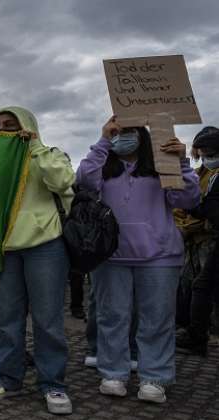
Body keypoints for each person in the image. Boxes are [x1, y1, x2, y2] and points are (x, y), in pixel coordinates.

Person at [77, 116, 199, 403]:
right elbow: (82, 180)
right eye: (118, 132)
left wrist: (181, 162)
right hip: (111, 256)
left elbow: (188, 200)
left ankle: (154, 377)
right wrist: (103, 140)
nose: (123, 137)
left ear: (143, 137)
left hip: (160, 256)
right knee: (111, 317)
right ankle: (113, 374)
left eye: (129, 132)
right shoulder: (102, 169)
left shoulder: (161, 169)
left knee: (157, 319)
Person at [0, 107, 75, 415]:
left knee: (48, 319)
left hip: (45, 244)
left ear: (28, 126)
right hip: (6, 246)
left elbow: (62, 182)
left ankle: (53, 383)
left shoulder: (50, 154)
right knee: (8, 319)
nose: (5, 131)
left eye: (12, 125)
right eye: (0, 127)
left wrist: (34, 146)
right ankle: (5, 376)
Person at [176, 126, 219, 357]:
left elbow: (207, 208)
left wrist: (190, 217)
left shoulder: (213, 176)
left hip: (208, 238)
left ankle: (197, 335)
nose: (204, 157)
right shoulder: (201, 173)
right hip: (198, 239)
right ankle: (193, 332)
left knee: (202, 288)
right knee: (195, 286)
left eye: (208, 153)